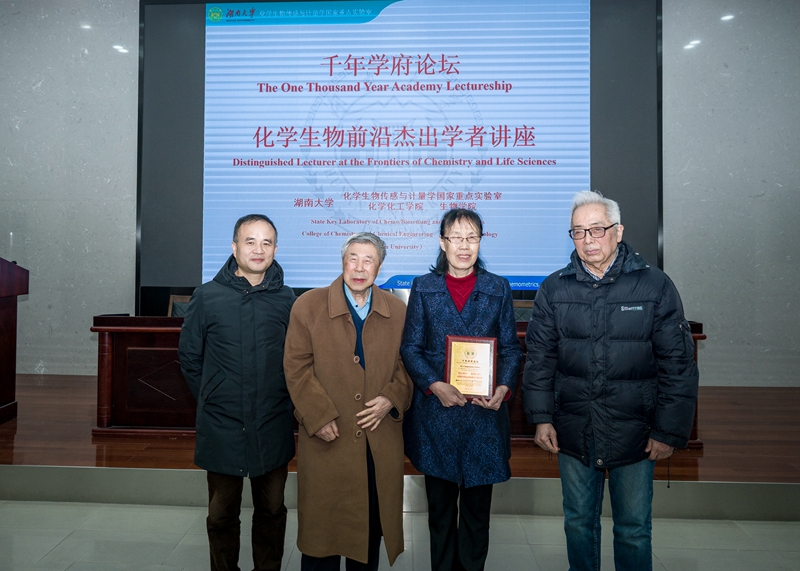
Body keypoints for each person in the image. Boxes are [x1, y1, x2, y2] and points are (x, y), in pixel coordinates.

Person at [523, 190, 699, 571]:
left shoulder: (654, 286)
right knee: (578, 524)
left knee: (633, 529)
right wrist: (541, 418)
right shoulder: (553, 289)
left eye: (597, 229)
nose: (588, 239)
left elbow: (678, 364)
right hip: (574, 430)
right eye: (578, 231)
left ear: (618, 232)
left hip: (636, 432)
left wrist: (668, 431)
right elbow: (539, 360)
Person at [400, 208, 523, 571]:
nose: (464, 246)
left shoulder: (497, 287)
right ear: (443, 243)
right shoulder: (424, 286)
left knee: (476, 517)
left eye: (472, 237)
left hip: (483, 418)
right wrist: (433, 384)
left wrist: (503, 387)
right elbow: (411, 348)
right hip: (436, 417)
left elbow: (511, 349)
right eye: (456, 238)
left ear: (480, 242)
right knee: (439, 517)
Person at [283, 232, 413, 571]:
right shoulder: (308, 306)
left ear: (379, 268)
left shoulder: (398, 311)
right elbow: (296, 367)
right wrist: (318, 415)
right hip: (327, 438)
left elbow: (408, 366)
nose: (359, 267)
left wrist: (391, 398)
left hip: (377, 440)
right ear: (342, 262)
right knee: (321, 538)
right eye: (352, 258)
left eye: (368, 260)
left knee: (367, 538)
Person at [178, 214, 296, 571]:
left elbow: (296, 359)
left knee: (272, 510)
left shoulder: (287, 299)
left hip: (272, 422)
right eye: (250, 241)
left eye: (266, 242)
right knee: (221, 514)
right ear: (234, 247)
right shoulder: (207, 296)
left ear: (275, 249)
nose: (258, 249)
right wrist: (213, 396)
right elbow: (190, 357)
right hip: (222, 425)